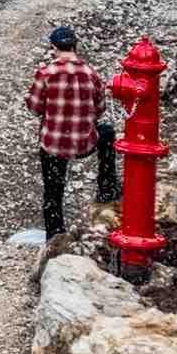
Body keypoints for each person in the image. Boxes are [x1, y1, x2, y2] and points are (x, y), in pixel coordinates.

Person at [25, 23, 113, 239]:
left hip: (54, 145)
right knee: (108, 133)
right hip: (85, 144)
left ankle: (55, 235)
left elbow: (35, 108)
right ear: (75, 47)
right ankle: (107, 187)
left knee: (53, 191)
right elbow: (100, 109)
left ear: (54, 48)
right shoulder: (91, 74)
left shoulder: (46, 73)